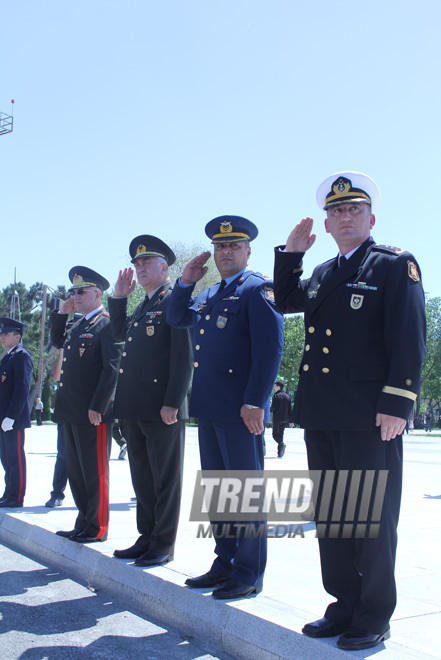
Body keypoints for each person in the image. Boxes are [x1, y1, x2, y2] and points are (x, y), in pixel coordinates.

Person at [273, 172, 426, 650]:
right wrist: (291, 255)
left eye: (353, 210)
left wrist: (398, 403)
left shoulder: (393, 265)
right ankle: (343, 606)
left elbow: (408, 338)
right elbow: (284, 300)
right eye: (336, 211)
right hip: (321, 414)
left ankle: (374, 614)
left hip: (368, 417)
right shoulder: (321, 272)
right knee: (336, 518)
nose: (344, 217)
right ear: (327, 221)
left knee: (373, 521)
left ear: (370, 217)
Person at [167, 215, 284, 599]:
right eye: (220, 246)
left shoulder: (258, 289)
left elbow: (270, 352)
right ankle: (225, 563)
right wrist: (185, 281)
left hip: (240, 410)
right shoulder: (211, 293)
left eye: (233, 246)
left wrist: (256, 402)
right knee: (219, 491)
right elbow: (176, 317)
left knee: (246, 492)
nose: (225, 252)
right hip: (210, 406)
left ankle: (248, 573)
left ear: (248, 251)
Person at [108, 235, 192, 567]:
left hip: (162, 408)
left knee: (165, 480)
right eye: (137, 264)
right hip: (135, 407)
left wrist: (173, 401)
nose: (140, 268)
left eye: (147, 263)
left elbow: (183, 358)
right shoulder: (145, 304)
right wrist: (119, 298)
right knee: (142, 477)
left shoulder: (175, 300)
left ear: (164, 266)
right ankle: (147, 536)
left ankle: (163, 544)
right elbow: (117, 334)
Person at [50, 267, 123, 542]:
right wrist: (62, 313)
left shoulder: (106, 323)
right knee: (77, 472)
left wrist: (100, 405)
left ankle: (98, 527)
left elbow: (112, 368)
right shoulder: (79, 323)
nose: (75, 296)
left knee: (95, 473)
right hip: (71, 409)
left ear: (97, 293)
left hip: (93, 412)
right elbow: (57, 342)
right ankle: (83, 521)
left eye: (80, 292)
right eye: (72, 292)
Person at [0, 318, 33, 508]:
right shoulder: (8, 356)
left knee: (15, 457)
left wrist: (11, 416)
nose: (2, 337)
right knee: (6, 458)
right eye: (1, 334)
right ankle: (9, 492)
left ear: (17, 336)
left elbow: (22, 389)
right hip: (3, 418)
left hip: (13, 419)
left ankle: (17, 496)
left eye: (6, 334)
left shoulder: (22, 356)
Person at [45, 349, 68, 508]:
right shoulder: (67, 348)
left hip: (86, 409)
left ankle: (91, 501)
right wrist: (62, 348)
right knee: (63, 455)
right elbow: (56, 375)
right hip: (66, 410)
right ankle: (57, 493)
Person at [270, 381, 292, 457]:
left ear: (279, 387)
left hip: (277, 418)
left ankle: (282, 444)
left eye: (275, 386)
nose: (274, 388)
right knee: (281, 434)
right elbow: (290, 409)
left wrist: (267, 410)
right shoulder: (287, 396)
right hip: (285, 419)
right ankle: (280, 453)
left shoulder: (276, 396)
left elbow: (274, 407)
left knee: (275, 435)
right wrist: (291, 420)